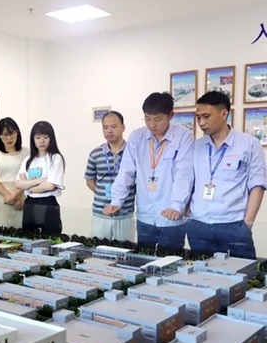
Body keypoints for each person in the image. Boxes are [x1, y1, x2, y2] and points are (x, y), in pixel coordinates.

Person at [104, 92, 194, 251]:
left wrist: (177, 205)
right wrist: (116, 201)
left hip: (171, 216)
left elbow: (184, 174)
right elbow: (126, 172)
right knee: (143, 258)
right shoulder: (137, 137)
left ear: (170, 115)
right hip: (145, 215)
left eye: (158, 119)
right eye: (147, 118)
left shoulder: (183, 136)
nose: (152, 125)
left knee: (170, 259)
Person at [187, 91, 267, 259]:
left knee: (242, 272)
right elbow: (188, 182)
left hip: (233, 224)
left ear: (224, 114)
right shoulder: (197, 146)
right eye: (198, 117)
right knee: (201, 272)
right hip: (199, 224)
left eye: (206, 116)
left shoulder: (249, 145)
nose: (201, 123)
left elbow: (257, 185)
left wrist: (247, 223)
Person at [85, 111, 135, 242]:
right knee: (98, 249)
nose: (109, 131)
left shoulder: (132, 152)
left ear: (123, 127)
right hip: (100, 213)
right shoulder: (95, 154)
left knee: (125, 251)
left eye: (113, 126)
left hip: (125, 214)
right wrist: (103, 193)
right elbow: (89, 180)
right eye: (105, 127)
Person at [16, 121, 65, 236]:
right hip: (30, 203)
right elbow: (18, 184)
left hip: (48, 202)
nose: (41, 141)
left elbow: (50, 186)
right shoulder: (28, 160)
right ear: (33, 139)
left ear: (51, 138)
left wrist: (28, 186)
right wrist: (39, 181)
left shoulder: (55, 158)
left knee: (50, 239)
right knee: (29, 238)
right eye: (38, 138)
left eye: (45, 137)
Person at [0, 117, 29, 228]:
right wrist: (9, 197)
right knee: (1, 230)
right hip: (2, 196)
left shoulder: (26, 152)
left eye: (12, 134)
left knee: (21, 231)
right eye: (5, 135)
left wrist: (16, 196)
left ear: (17, 133)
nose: (9, 138)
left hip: (20, 196)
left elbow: (29, 178)